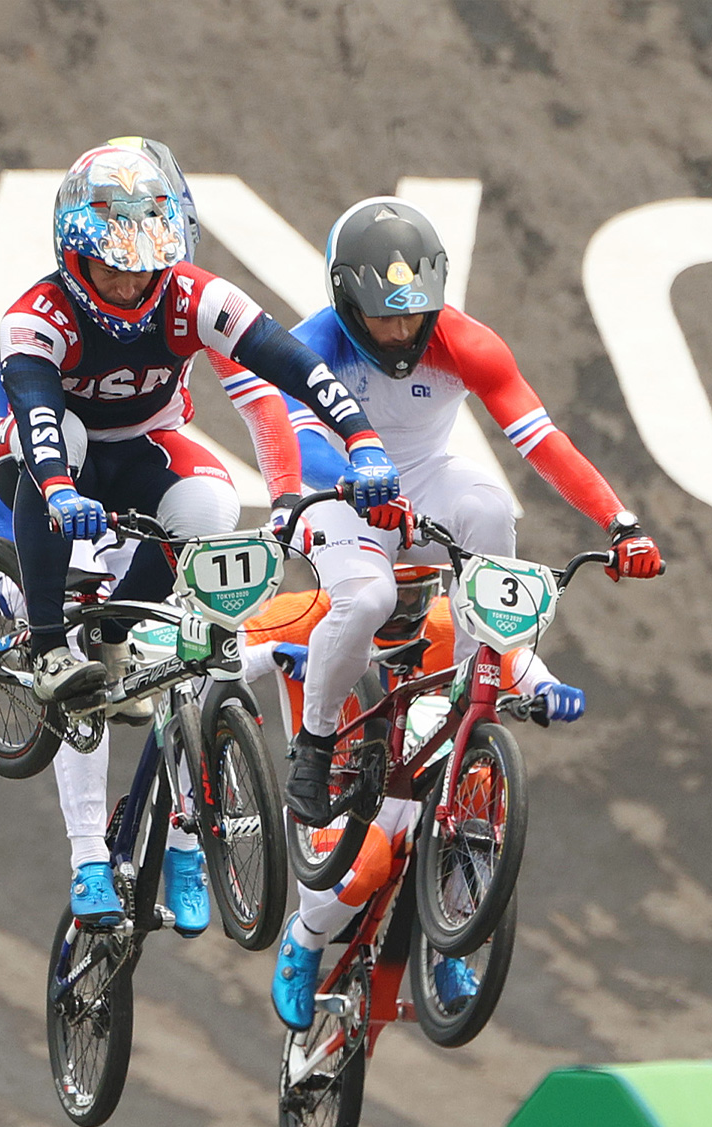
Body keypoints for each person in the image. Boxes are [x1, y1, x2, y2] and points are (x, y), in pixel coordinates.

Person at [0, 140, 402, 927]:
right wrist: (61, 492)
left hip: (143, 455)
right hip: (42, 473)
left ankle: (180, 831)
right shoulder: (34, 319)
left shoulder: (194, 295)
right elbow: (39, 420)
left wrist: (362, 439)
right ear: (73, 258)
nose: (132, 285)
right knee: (77, 674)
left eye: (147, 268)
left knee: (208, 524)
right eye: (113, 269)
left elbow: (289, 370)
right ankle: (81, 841)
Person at [206, 197, 660, 834]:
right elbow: (294, 437)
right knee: (366, 599)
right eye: (382, 319)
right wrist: (357, 484)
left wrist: (621, 523)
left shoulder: (468, 343)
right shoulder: (313, 344)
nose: (400, 334)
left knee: (490, 506)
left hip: (422, 480)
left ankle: (471, 685)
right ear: (343, 301)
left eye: (415, 315)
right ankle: (312, 745)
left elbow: (542, 441)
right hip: (342, 494)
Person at [234, 574, 587, 1028]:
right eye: (391, 596)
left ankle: (451, 945)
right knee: (365, 868)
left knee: (481, 784)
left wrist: (546, 687)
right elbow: (220, 654)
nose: (399, 613)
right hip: (337, 793)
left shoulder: (443, 621)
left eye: (413, 597)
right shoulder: (311, 612)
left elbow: (510, 656)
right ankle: (305, 939)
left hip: (421, 785)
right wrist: (273, 654)